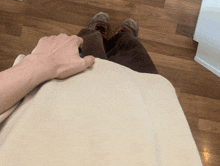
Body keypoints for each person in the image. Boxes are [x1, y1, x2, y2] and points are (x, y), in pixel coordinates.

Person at [0, 12, 203, 166]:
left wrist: (39, 64)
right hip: (145, 98)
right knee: (132, 48)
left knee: (90, 40)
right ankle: (122, 38)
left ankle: (99, 34)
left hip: (65, 86)